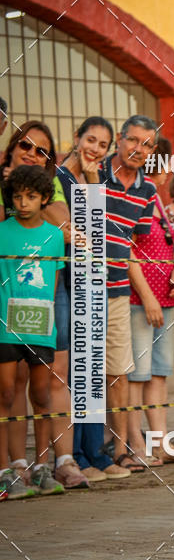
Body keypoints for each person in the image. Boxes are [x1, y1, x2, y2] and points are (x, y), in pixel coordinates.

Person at [1, 121, 88, 491]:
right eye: (25, 145)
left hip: (45, 297)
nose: (33, 154)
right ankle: (14, 465)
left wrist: (55, 223)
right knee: (10, 385)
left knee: (52, 378)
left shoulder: (52, 185)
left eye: (43, 151)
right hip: (6, 294)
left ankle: (58, 461)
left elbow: (65, 226)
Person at [56, 116, 126, 482]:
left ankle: (96, 454)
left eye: (102, 145)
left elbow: (99, 227)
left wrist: (94, 178)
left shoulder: (92, 178)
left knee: (93, 371)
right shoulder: (58, 178)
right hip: (67, 283)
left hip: (93, 281)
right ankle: (78, 456)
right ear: (76, 138)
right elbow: (77, 229)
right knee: (76, 372)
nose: (95, 149)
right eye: (91, 140)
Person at [100, 115, 161, 473]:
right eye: (133, 140)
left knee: (119, 371)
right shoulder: (93, 175)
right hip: (79, 288)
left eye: (147, 144)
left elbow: (131, 245)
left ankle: (121, 447)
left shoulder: (148, 191)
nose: (139, 149)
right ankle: (82, 453)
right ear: (120, 140)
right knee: (82, 373)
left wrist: (147, 293)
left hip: (119, 289)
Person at [0, 166, 65, 499]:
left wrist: (49, 324)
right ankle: (4, 472)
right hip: (5, 329)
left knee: (41, 396)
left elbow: (53, 286)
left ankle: (42, 468)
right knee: (6, 395)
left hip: (41, 329)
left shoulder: (54, 236)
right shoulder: (1, 232)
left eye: (31, 196)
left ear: (44, 199)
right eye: (17, 196)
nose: (23, 203)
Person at [127, 139, 174, 466]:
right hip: (141, 300)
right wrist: (147, 296)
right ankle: (136, 444)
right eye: (167, 163)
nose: (169, 170)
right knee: (138, 374)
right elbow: (126, 247)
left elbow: (165, 241)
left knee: (159, 374)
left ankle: (160, 442)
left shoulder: (156, 195)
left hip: (164, 299)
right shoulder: (138, 195)